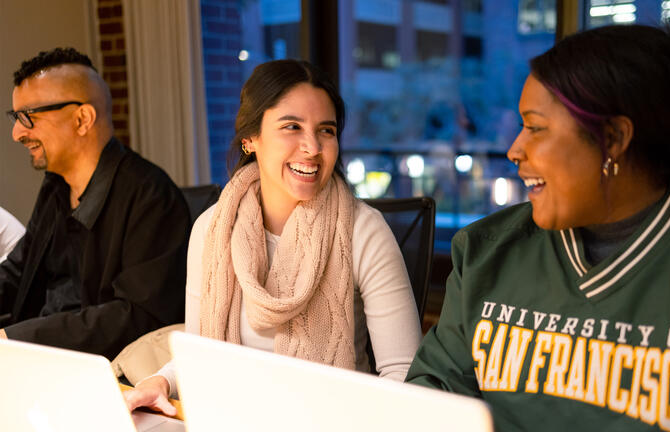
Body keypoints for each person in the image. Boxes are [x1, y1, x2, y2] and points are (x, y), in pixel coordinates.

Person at [406, 24, 670, 431]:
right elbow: (429, 399)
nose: (514, 150)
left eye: (536, 127)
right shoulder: (485, 249)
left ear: (613, 138)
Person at [123, 59, 422, 416]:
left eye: (326, 130)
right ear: (251, 139)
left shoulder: (363, 231)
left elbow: (404, 375)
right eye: (291, 126)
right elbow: (199, 353)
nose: (312, 147)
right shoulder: (211, 229)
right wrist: (162, 382)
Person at [0, 48, 190, 359]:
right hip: (39, 360)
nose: (16, 133)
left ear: (82, 119)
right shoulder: (56, 187)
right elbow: (18, 272)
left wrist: (14, 338)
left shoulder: (152, 196)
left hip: (104, 374)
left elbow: (136, 317)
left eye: (27, 117)